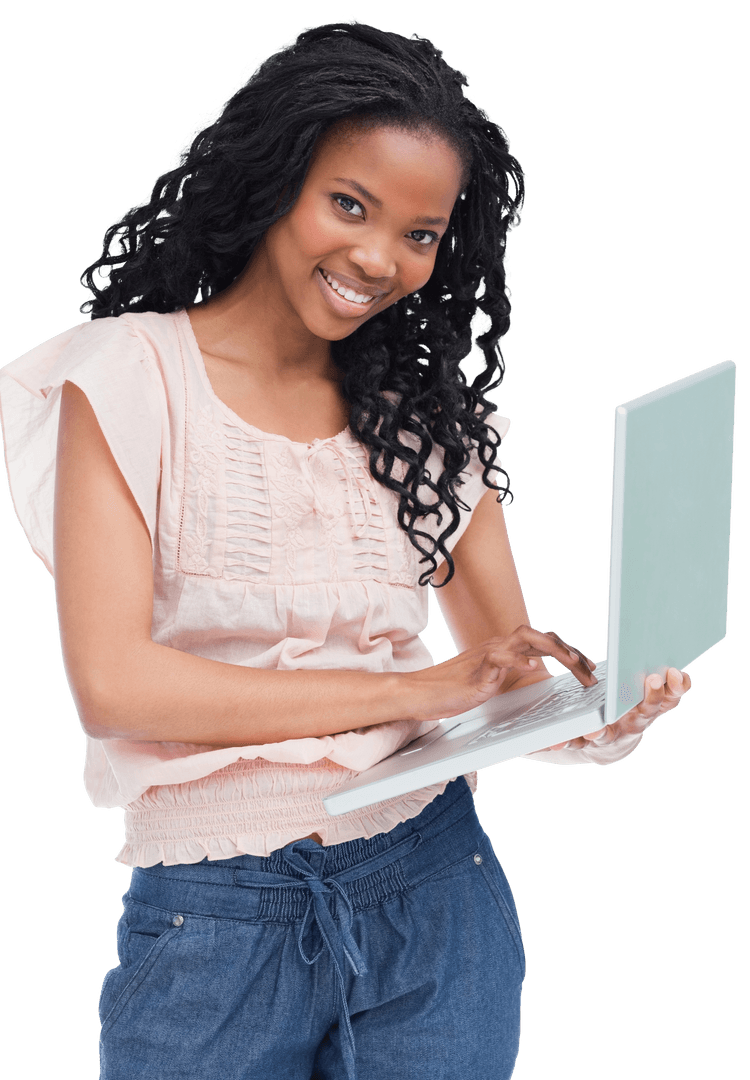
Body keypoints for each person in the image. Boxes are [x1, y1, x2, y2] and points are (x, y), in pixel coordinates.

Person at [0, 20, 690, 1080]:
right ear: (275, 177)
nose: (378, 258)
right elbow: (119, 688)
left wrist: (599, 716)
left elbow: (496, 676)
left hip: (436, 889)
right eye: (350, 204)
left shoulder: (425, 421)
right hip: (221, 921)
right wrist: (421, 694)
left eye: (421, 234)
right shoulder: (123, 380)